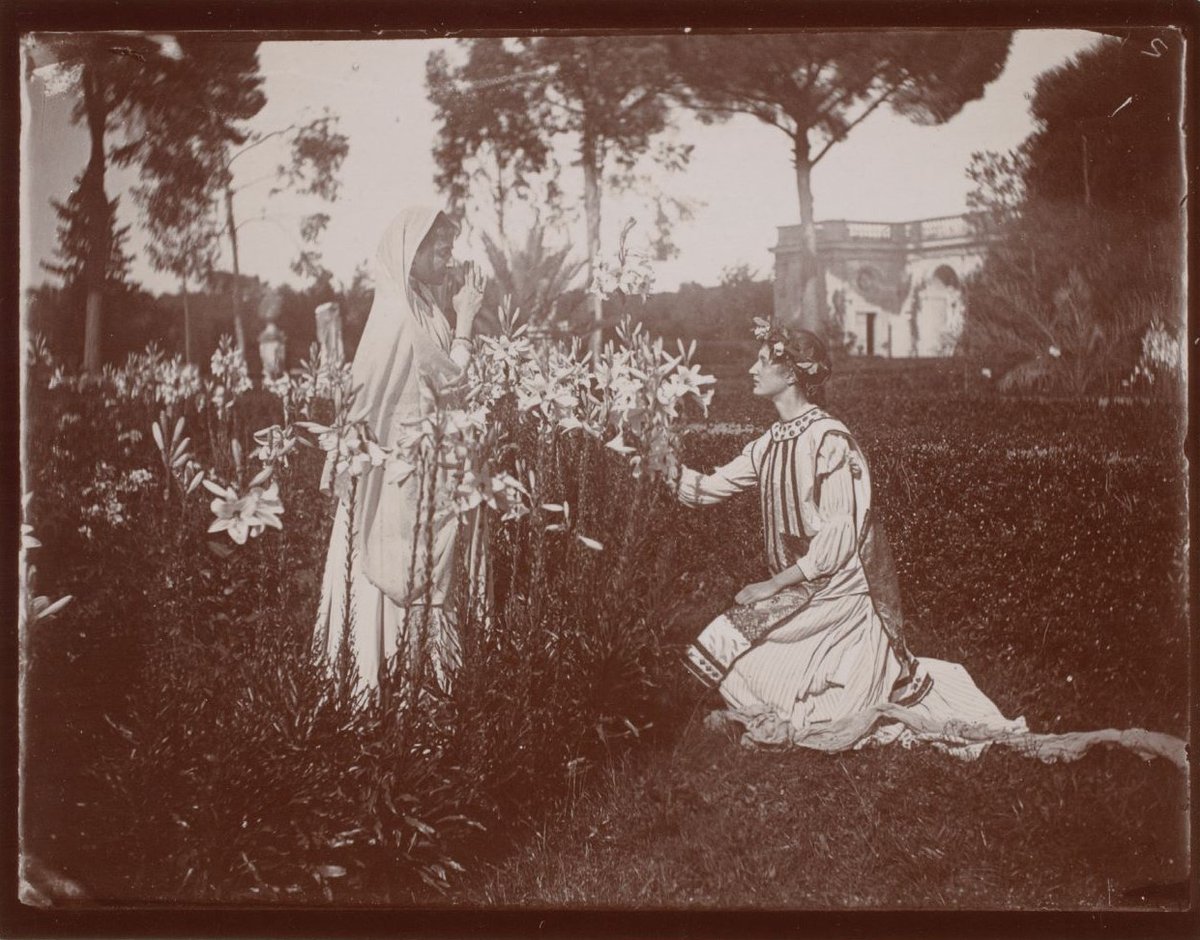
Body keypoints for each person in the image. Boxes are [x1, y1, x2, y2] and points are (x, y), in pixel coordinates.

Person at [671, 321, 1024, 755]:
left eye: (763, 361)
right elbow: (707, 490)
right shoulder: (768, 444)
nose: (751, 369)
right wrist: (657, 459)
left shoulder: (829, 439)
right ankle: (798, 700)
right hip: (804, 585)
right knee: (734, 657)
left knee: (727, 636)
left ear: (792, 374)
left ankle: (824, 699)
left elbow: (840, 538)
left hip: (841, 587)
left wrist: (775, 584)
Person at [314, 206, 488, 697]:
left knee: (423, 582)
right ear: (412, 251)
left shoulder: (423, 307)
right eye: (441, 245)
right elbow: (443, 384)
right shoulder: (397, 312)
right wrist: (468, 321)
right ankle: (378, 704)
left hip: (423, 473)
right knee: (391, 583)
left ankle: (422, 702)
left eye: (451, 244)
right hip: (396, 481)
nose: (450, 254)